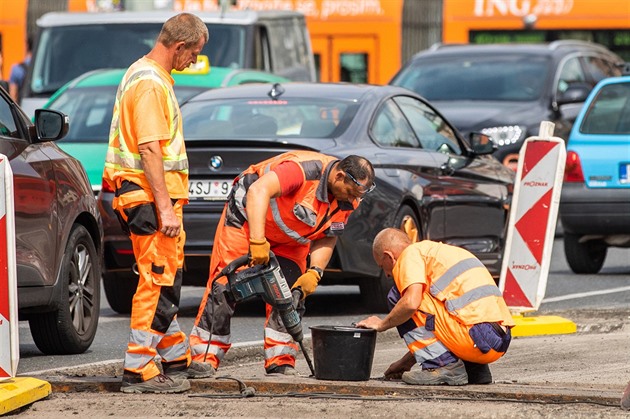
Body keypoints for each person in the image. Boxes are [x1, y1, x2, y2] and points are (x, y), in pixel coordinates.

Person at [102, 12, 213, 394]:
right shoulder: (150, 84)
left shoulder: (143, 74)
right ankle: (139, 367)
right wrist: (164, 208)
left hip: (146, 195)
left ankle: (172, 351)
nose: (194, 61)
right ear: (179, 46)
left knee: (166, 275)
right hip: (149, 197)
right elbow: (150, 149)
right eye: (194, 53)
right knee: (158, 278)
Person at [189, 151, 375, 375]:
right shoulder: (303, 170)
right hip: (248, 222)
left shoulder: (349, 200)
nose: (352, 200)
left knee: (289, 295)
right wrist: (257, 241)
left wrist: (315, 271)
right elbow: (258, 190)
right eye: (350, 193)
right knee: (224, 287)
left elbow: (329, 234)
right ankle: (205, 357)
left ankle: (281, 360)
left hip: (291, 240)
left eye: (357, 195)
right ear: (340, 177)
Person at [356, 228, 515, 386]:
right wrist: (406, 362)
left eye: (382, 266)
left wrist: (382, 324)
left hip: (475, 337)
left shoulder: (409, 254)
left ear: (388, 256)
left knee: (399, 296)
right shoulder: (441, 252)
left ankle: (441, 366)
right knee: (433, 301)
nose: (387, 275)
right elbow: (440, 322)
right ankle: (474, 369)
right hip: (495, 341)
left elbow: (411, 303)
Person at [8, 36, 32, 102]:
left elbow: (13, 97)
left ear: (27, 45)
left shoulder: (17, 69)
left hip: (24, 107)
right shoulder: (46, 67)